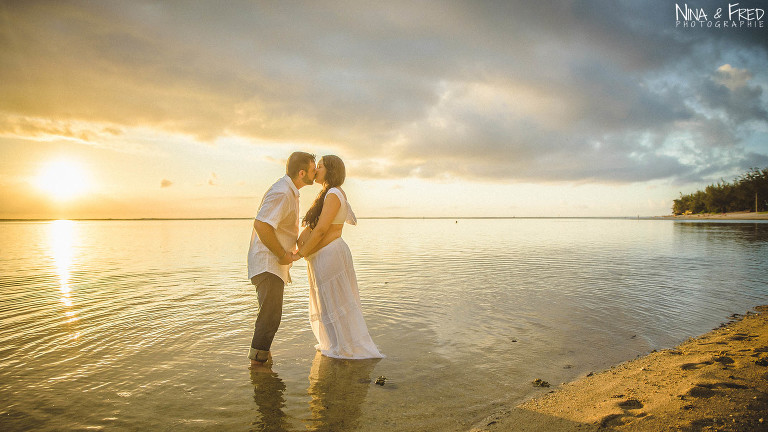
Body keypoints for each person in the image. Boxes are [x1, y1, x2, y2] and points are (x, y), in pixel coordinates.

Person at [296, 155, 384, 359]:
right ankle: (337, 345)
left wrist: (300, 253)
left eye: (319, 167)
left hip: (330, 256)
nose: (316, 170)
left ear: (331, 171)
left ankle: (343, 348)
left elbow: (321, 231)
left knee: (335, 303)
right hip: (323, 257)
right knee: (329, 303)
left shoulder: (334, 194)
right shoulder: (328, 193)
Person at [247, 151, 316, 369]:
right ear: (302, 172)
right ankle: (257, 365)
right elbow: (261, 225)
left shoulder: (290, 192)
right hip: (268, 263)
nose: (315, 174)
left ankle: (263, 360)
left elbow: (283, 228)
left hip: (271, 264)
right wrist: (282, 254)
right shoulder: (282, 192)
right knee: (270, 316)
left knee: (271, 315)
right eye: (313, 170)